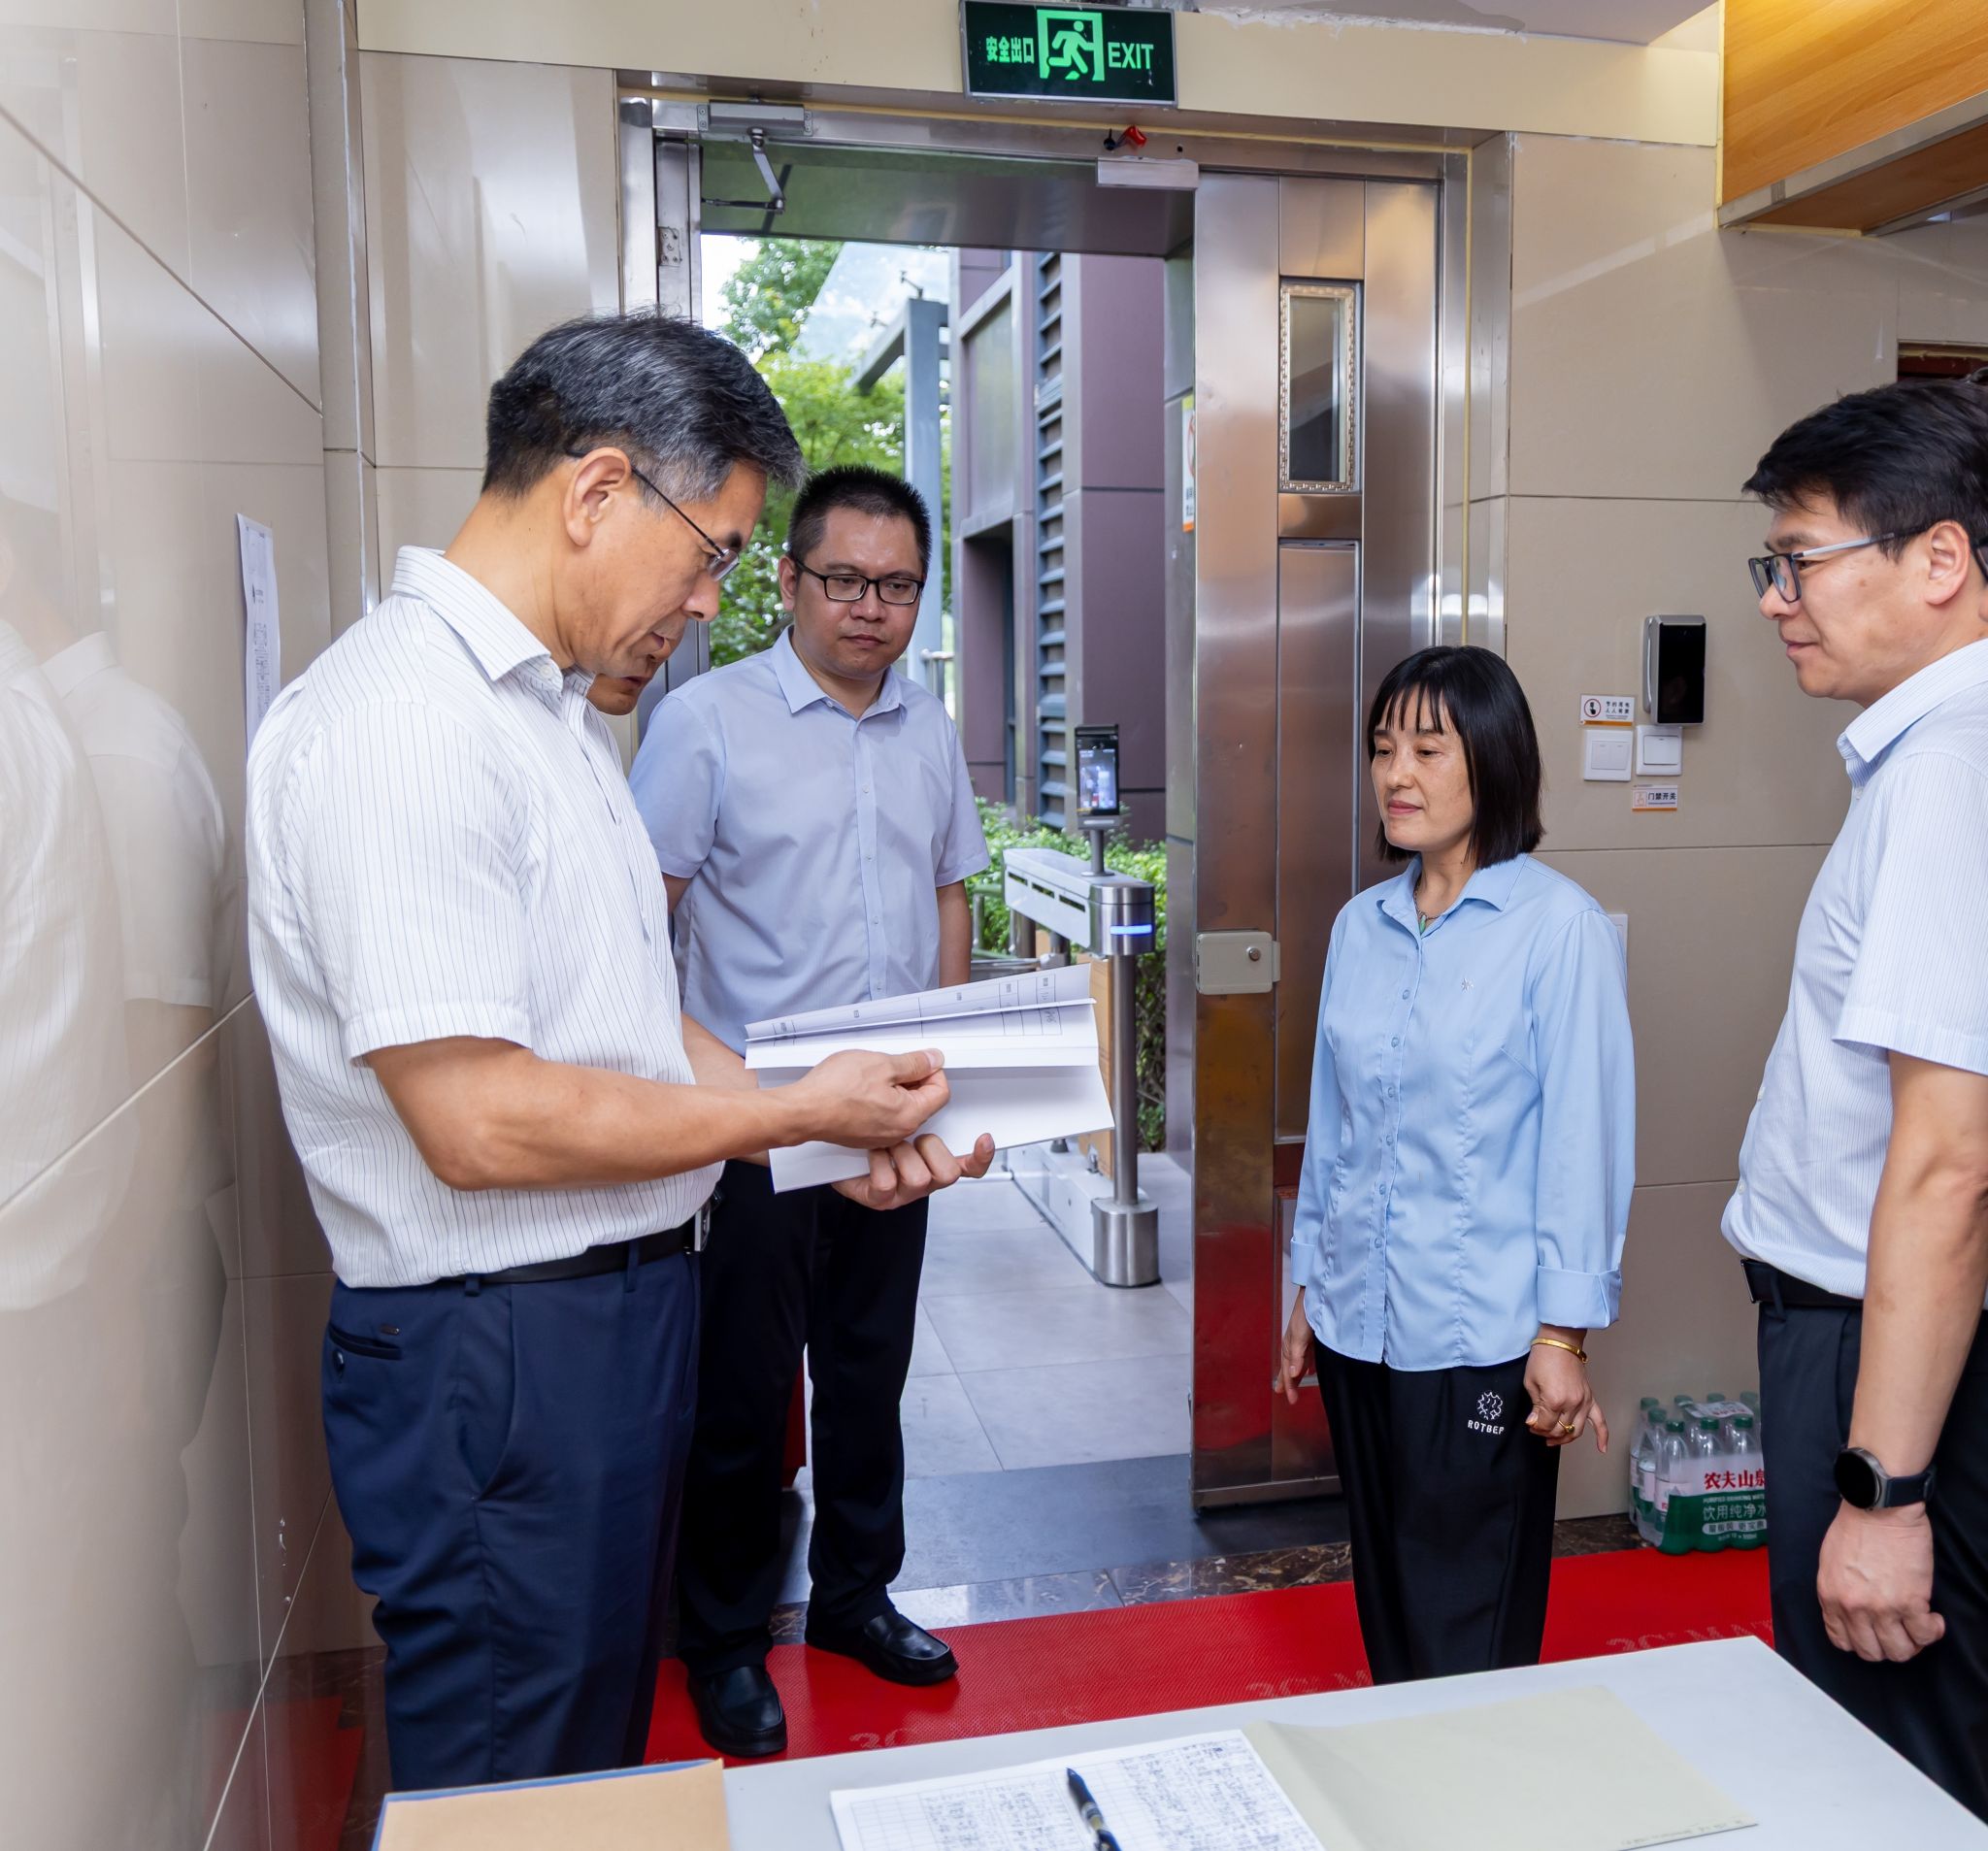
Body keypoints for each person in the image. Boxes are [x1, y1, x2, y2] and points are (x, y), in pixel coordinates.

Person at [245, 314, 988, 1794]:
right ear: (596, 491)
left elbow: (639, 1023)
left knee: (580, 1756)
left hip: (592, 1317)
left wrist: (818, 1117)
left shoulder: (553, 722)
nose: (709, 599)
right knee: (516, 1774)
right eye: (711, 552)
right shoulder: (406, 724)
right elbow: (477, 1117)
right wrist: (780, 1121)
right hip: (504, 1344)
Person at [628, 464, 991, 1759]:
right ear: (786, 580)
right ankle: (725, 1635)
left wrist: (946, 1062)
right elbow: (640, 921)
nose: (869, 607)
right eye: (843, 578)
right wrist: (710, 1090)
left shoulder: (928, 727)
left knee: (867, 1374)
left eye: (897, 585)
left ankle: (853, 1596)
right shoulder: (704, 722)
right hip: (755, 1125)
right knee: (741, 1394)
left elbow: (950, 890)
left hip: (887, 1121)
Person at [1725, 380, 1988, 1821]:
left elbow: (1950, 1162)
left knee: (1886, 1775)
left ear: (1937, 559)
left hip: (1879, 1354)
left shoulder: (1948, 767)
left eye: (1799, 560)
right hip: (1881, 1335)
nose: (1777, 600)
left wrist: (1883, 1495)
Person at [1276, 645, 1633, 1684]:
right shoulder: (1360, 926)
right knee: (1387, 1598)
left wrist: (1562, 1332)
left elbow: (1584, 1140)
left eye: (1427, 749)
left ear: (1493, 760)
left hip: (1482, 1336)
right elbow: (1335, 1125)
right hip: (1359, 1325)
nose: (1396, 773)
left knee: (1467, 1619)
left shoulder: (1557, 928)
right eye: (1383, 747)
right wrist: (1307, 1284)